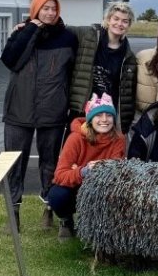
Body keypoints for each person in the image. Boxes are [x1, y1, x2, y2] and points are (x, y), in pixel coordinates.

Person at [1, 0, 77, 231]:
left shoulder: (67, 37)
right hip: (19, 108)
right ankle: (14, 213)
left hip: (52, 109)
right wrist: (30, 30)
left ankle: (49, 209)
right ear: (35, 10)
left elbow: (74, 70)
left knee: (50, 162)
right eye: (45, 8)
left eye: (54, 9)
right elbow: (11, 61)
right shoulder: (21, 33)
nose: (50, 13)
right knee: (14, 162)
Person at [47, 93, 126, 240]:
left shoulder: (119, 139)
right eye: (99, 115)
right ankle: (66, 219)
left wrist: (100, 168)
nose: (104, 120)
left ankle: (102, 226)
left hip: (103, 187)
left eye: (108, 115)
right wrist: (83, 171)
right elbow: (60, 175)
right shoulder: (75, 139)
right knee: (57, 195)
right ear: (90, 119)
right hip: (76, 186)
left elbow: (118, 169)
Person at [68, 1, 137, 134]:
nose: (119, 24)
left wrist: (125, 122)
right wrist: (28, 24)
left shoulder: (129, 57)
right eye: (115, 19)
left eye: (125, 21)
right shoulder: (89, 35)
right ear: (108, 20)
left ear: (129, 25)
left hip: (107, 115)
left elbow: (128, 94)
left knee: (103, 152)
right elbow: (61, 29)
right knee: (79, 150)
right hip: (83, 110)